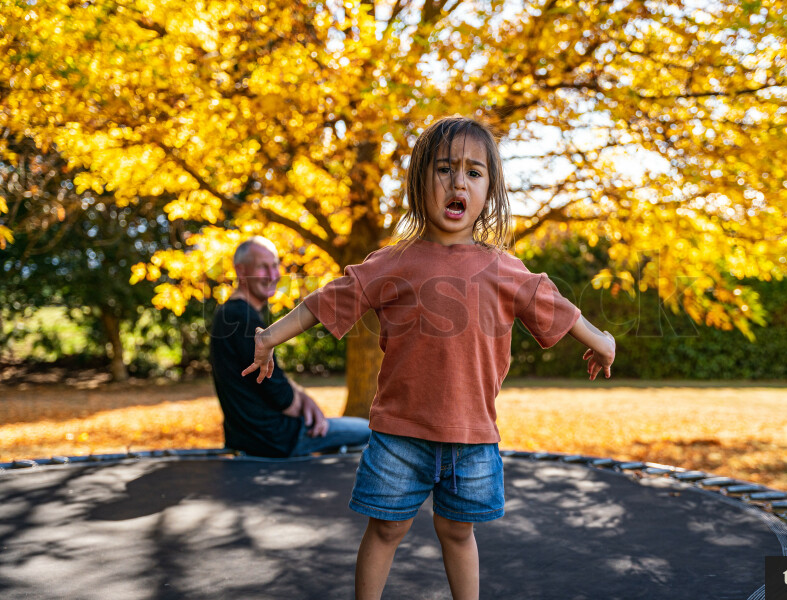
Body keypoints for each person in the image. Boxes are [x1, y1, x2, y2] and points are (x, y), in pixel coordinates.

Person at [242, 117, 616, 600]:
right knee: (385, 530)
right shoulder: (393, 262)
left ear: (489, 191)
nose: (458, 181)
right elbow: (328, 301)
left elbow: (559, 309)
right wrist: (269, 337)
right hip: (400, 434)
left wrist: (601, 341)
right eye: (444, 169)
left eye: (473, 173)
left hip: (473, 438)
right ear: (421, 182)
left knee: (459, 533)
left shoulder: (505, 269)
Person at [209, 236, 370, 458]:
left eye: (275, 265)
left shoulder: (231, 313)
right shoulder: (241, 318)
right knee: (369, 431)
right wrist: (309, 412)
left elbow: (274, 378)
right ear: (240, 270)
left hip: (250, 436)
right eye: (263, 267)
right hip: (275, 438)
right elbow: (281, 397)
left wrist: (302, 395)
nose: (274, 275)